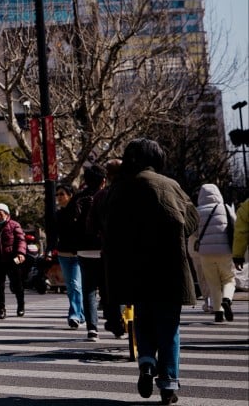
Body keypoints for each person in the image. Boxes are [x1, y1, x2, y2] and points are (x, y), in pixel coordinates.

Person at [103, 138, 198, 405]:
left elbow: (104, 226)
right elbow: (191, 220)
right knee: (169, 327)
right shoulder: (170, 186)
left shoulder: (118, 189)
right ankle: (168, 385)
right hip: (169, 267)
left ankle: (146, 362)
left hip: (134, 269)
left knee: (143, 319)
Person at [76, 163, 122, 341]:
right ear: (104, 180)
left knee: (88, 290)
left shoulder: (78, 198)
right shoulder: (109, 194)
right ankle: (115, 322)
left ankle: (92, 328)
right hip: (107, 248)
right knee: (111, 287)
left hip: (84, 250)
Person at [193, 183, 237, 323]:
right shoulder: (225, 208)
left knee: (213, 282)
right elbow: (235, 225)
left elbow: (194, 233)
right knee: (229, 279)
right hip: (225, 251)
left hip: (205, 253)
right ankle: (227, 300)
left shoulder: (197, 211)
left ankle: (218, 312)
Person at [0, 203, 27, 319]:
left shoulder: (14, 225)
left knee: (17, 284)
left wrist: (21, 253)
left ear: (7, 215)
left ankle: (21, 306)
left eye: (0, 214)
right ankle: (1, 309)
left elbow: (21, 240)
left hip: (14, 259)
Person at [51, 182, 85, 329]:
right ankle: (80, 314)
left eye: (62, 194)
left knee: (76, 284)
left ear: (70, 195)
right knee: (71, 286)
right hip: (63, 253)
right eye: (57, 194)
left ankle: (74, 315)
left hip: (78, 253)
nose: (59, 197)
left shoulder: (79, 211)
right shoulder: (57, 214)